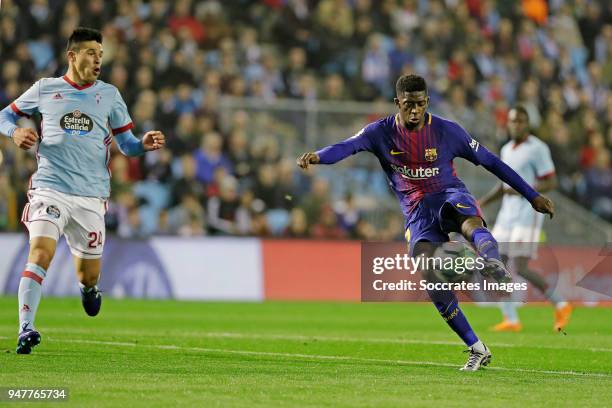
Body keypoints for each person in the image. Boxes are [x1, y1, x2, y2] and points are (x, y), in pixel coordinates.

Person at [297, 74, 554, 371]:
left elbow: (492, 162)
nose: (415, 110)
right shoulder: (379, 132)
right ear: (397, 103)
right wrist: (317, 156)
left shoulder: (448, 131)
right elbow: (346, 147)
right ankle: (477, 347)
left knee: (468, 223)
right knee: (430, 275)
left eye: (420, 104)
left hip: (449, 194)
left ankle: (492, 263)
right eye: (408, 105)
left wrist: (532, 195)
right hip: (417, 213)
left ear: (427, 102)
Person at [0, 27, 166, 354]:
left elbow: (127, 145)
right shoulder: (45, 89)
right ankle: (25, 328)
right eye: (91, 53)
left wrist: (142, 145)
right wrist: (14, 132)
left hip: (91, 197)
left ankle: (88, 289)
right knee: (40, 253)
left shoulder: (109, 95)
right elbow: (4, 115)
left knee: (89, 275)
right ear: (72, 56)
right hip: (50, 188)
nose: (98, 60)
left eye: (101, 55)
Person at [479, 106, 571, 332]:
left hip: (527, 215)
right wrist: (482, 202)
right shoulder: (506, 149)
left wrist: (524, 189)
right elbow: (503, 186)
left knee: (520, 267)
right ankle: (511, 319)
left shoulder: (537, 148)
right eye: (512, 121)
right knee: (495, 263)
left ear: (527, 124)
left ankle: (561, 303)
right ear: (507, 124)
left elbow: (551, 181)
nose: (516, 125)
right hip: (507, 215)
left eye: (520, 121)